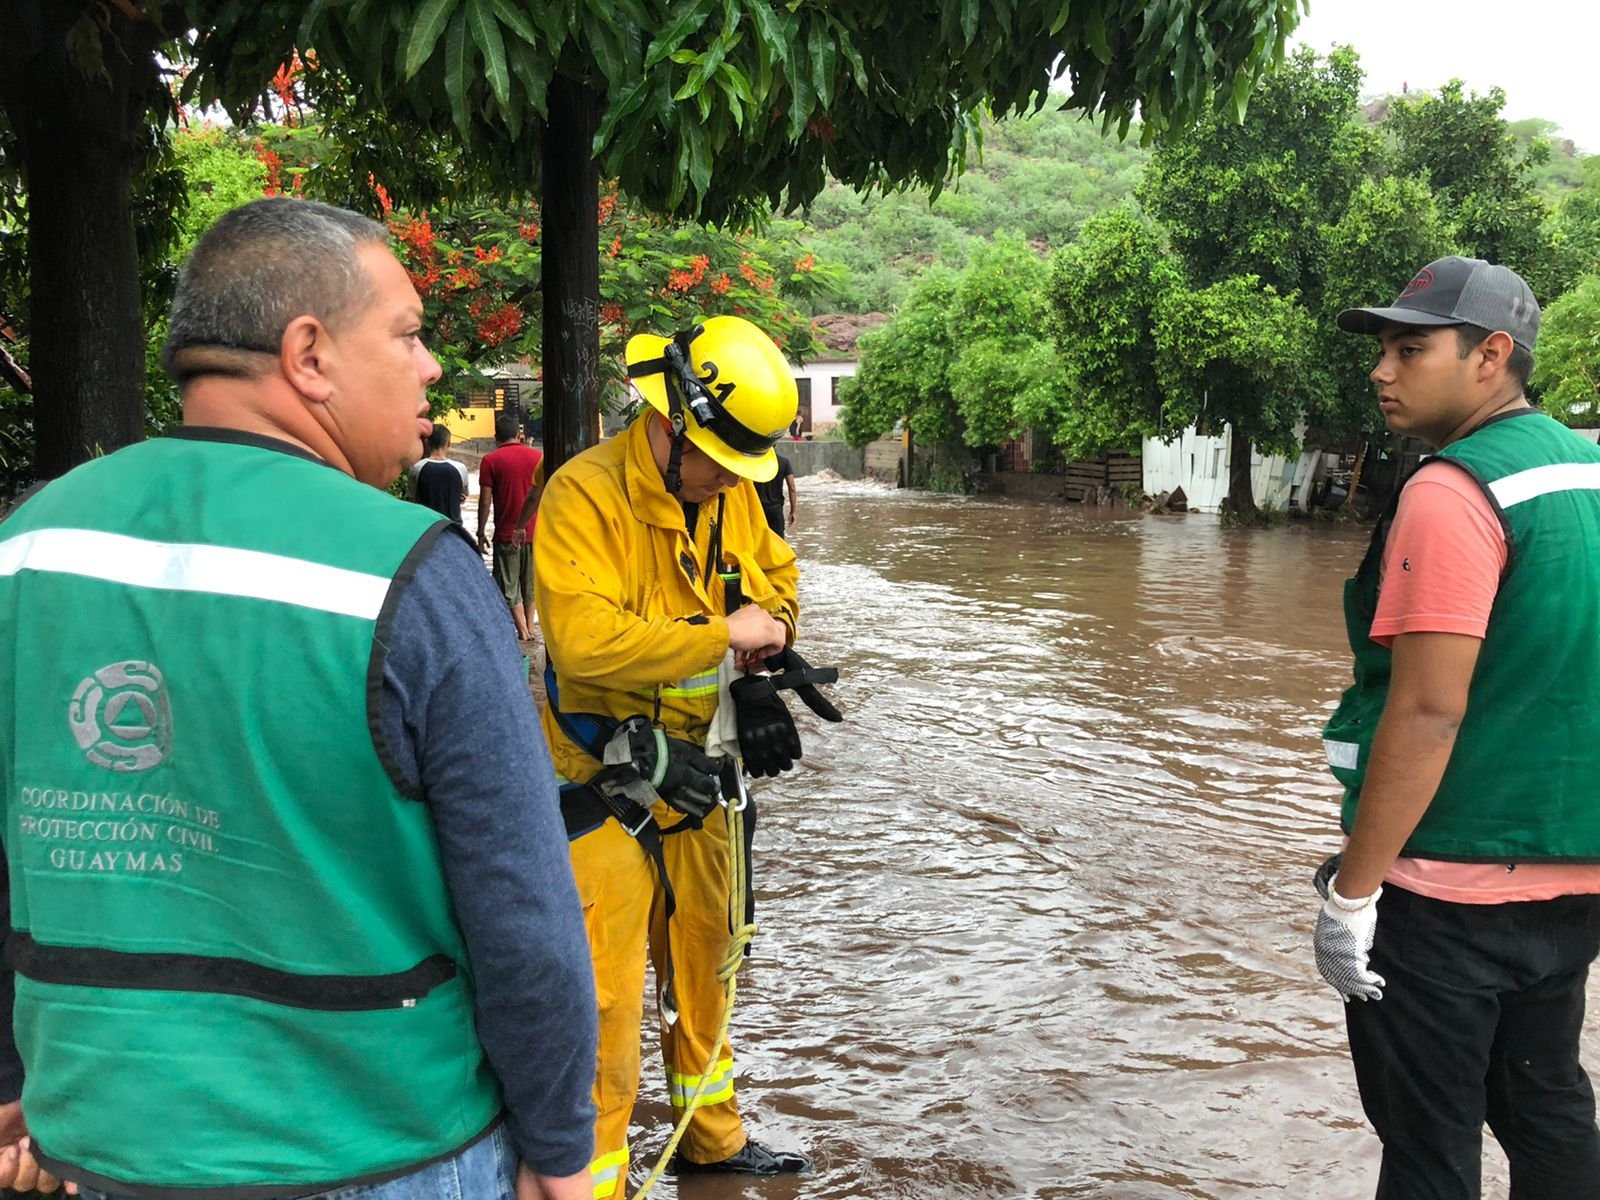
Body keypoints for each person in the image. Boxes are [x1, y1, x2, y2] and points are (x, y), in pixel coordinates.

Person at [0, 198, 597, 1200]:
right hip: (382, 1148)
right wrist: (562, 1147)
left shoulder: (28, 547)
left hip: (99, 1144)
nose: (430, 366)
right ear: (309, 354)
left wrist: (17, 1080)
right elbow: (524, 918)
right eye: (406, 334)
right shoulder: (412, 572)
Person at [1316, 255, 1600, 1198]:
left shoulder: (1450, 492)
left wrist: (1354, 898)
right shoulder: (1589, 470)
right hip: (1573, 879)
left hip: (1448, 892)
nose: (1381, 371)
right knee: (1546, 1105)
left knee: (1429, 1144)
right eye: (1384, 350)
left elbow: (1428, 710)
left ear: (1492, 356)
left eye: (1411, 348)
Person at [535, 316, 831, 1198]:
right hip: (604, 786)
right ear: (668, 427)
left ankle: (710, 1139)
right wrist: (718, 636)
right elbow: (583, 645)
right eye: (715, 463)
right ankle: (594, 1180)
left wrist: (763, 657)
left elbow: (774, 579)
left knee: (708, 964)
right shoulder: (581, 497)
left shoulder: (730, 491)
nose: (727, 485)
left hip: (705, 778)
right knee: (606, 1001)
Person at [478, 415, 542, 640]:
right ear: (519, 435)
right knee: (530, 583)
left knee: (508, 585)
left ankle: (523, 631)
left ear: (496, 436)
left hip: (506, 533)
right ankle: (532, 629)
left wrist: (480, 531)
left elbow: (485, 501)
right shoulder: (538, 457)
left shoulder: (490, 460)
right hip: (536, 532)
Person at [410, 421, 470, 523]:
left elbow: (412, 498)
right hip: (453, 527)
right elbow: (464, 494)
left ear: (427, 443)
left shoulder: (417, 468)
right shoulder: (460, 468)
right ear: (449, 443)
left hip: (427, 526)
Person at [753, 451, 797, 539]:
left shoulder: (754, 461)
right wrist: (793, 511)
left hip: (757, 508)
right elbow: (792, 488)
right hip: (775, 510)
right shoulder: (783, 461)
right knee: (778, 541)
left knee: (757, 540)